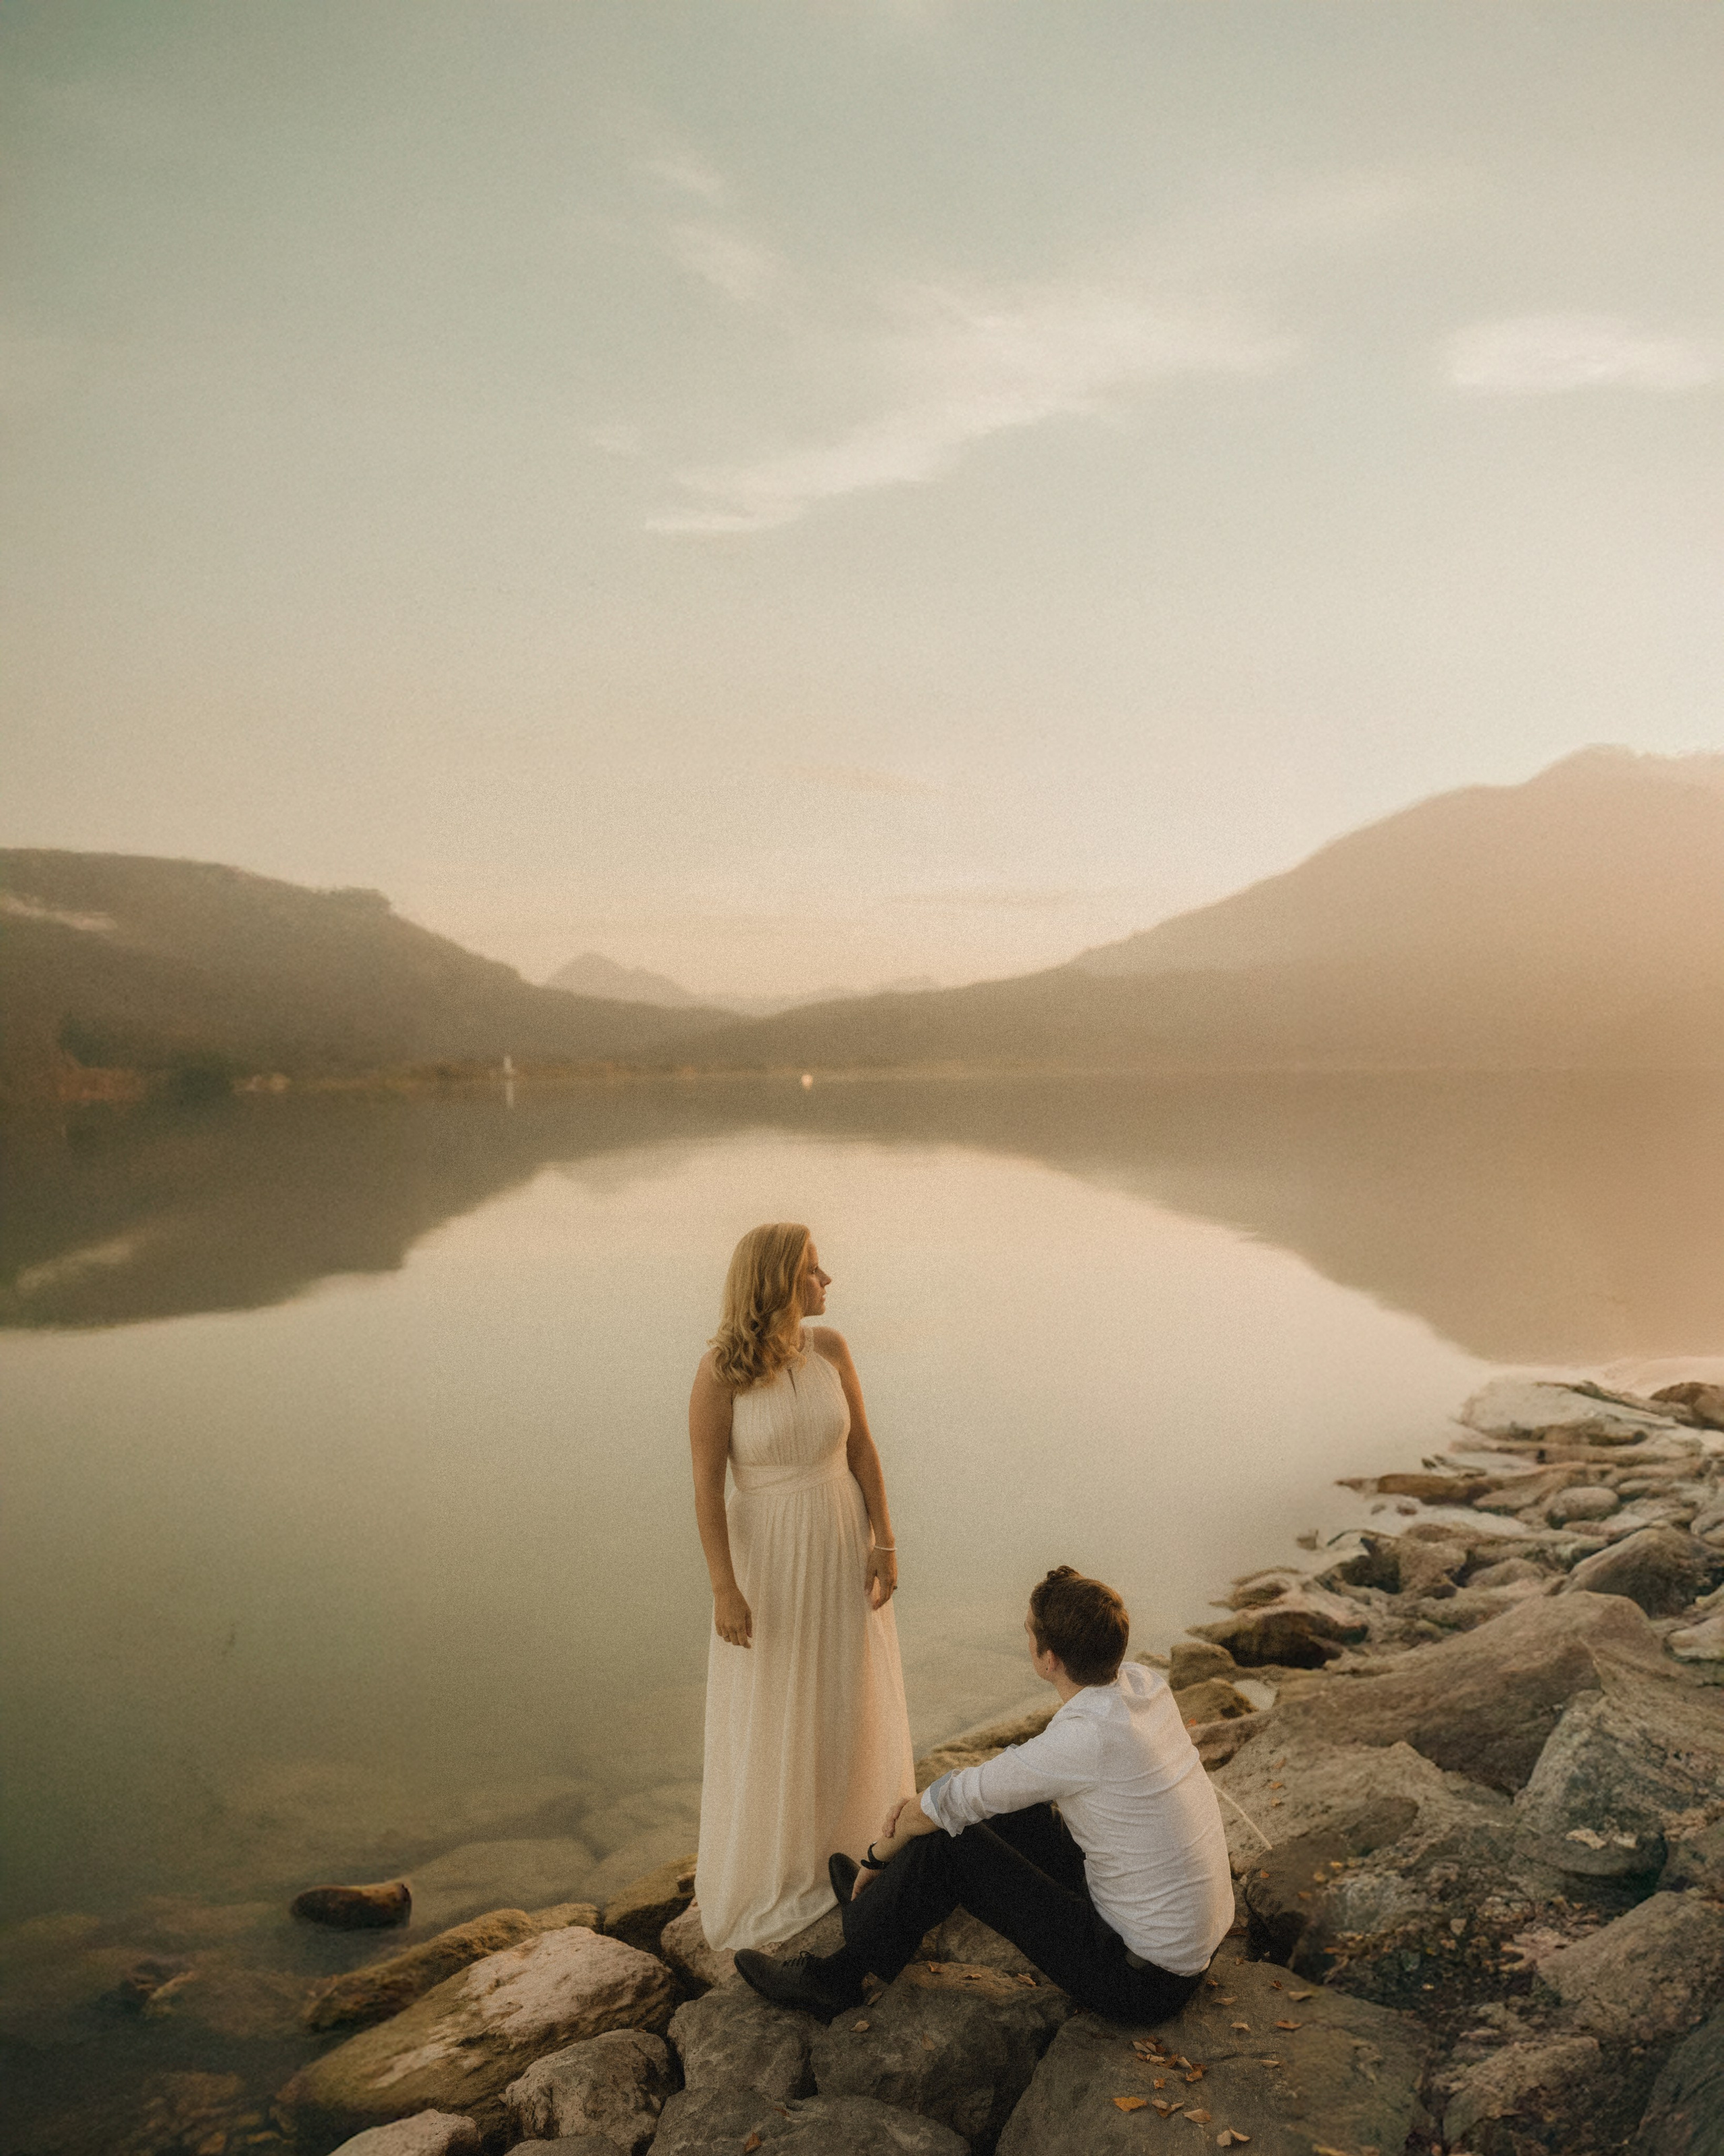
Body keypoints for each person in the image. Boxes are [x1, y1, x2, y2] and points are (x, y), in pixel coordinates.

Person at [734, 1564, 1234, 2023]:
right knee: (1005, 1810)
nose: (1026, 1637)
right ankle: (881, 1911)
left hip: (1140, 1981)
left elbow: (942, 1806)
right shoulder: (1144, 1685)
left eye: (1028, 1631)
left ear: (1049, 1659)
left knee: (952, 1841)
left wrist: (876, 1857)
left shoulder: (1084, 1739)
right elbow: (973, 1793)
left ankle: (838, 1974)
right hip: (1182, 1946)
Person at [690, 1221, 915, 1949]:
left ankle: (854, 1841)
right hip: (770, 1559)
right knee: (779, 1701)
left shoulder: (831, 1349)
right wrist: (725, 1589)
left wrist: (884, 1541)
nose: (828, 1281)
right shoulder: (719, 1373)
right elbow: (706, 1490)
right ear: (778, 1282)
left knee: (847, 1689)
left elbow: (863, 1450)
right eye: (815, 1269)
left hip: (841, 1541)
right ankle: (784, 1859)